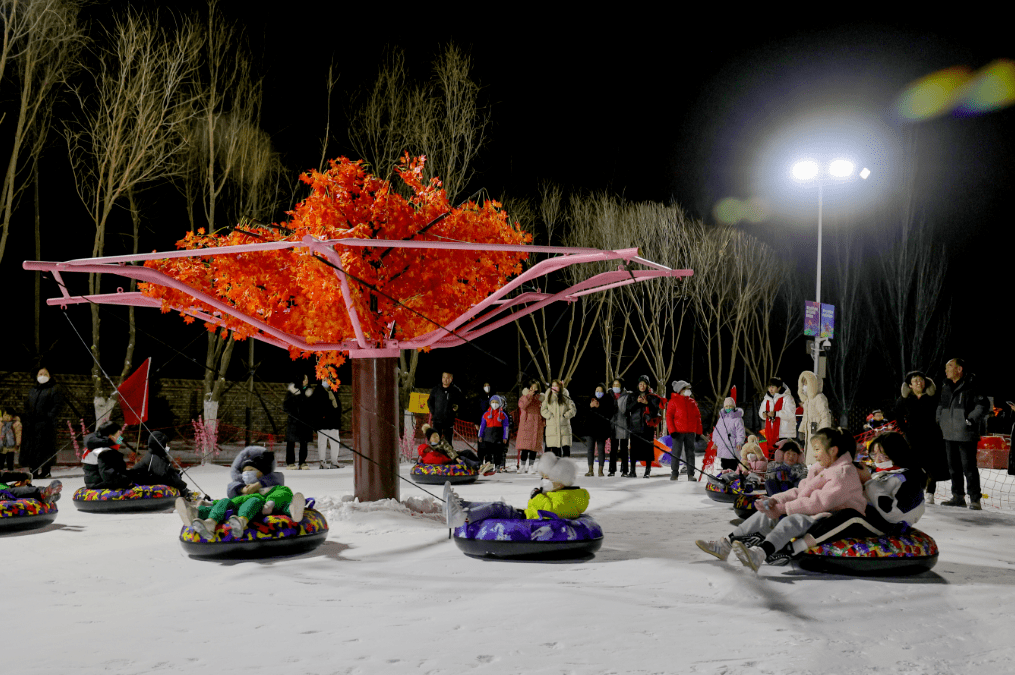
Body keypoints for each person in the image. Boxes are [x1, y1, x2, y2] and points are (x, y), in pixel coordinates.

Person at [695, 427, 866, 572]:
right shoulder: (821, 468)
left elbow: (819, 502)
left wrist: (784, 508)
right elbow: (800, 491)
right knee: (767, 515)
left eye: (818, 449)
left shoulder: (843, 473)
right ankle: (725, 543)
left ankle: (760, 554)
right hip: (816, 511)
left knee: (793, 520)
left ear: (833, 451)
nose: (815, 455)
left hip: (831, 517)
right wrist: (774, 500)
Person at [794, 432, 927, 556]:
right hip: (868, 513)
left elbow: (893, 512)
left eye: (884, 455)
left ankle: (798, 547)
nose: (879, 460)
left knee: (851, 515)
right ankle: (795, 532)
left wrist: (868, 482)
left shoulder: (910, 479)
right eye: (874, 455)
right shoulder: (879, 473)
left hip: (888, 525)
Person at [444, 452, 590, 527]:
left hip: (528, 522)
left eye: (547, 478)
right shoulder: (561, 494)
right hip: (527, 516)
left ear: (560, 482)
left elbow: (550, 511)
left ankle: (462, 517)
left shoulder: (567, 498)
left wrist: (537, 497)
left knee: (498, 508)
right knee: (498, 506)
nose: (544, 481)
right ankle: (460, 505)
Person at [176, 453, 304, 538]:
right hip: (243, 507)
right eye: (244, 472)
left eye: (251, 471)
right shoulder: (244, 488)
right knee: (225, 503)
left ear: (262, 473)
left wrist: (270, 502)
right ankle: (202, 517)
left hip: (265, 507)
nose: (246, 474)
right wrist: (211, 503)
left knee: (258, 500)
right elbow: (234, 498)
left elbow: (283, 491)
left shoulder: (271, 486)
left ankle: (294, 510)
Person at [936, 358, 989, 510]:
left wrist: (970, 420)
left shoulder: (972, 385)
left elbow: (983, 405)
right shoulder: (945, 387)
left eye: (949, 367)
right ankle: (958, 497)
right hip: (949, 433)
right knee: (953, 468)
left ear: (959, 369)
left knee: (969, 467)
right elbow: (940, 405)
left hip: (966, 434)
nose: (946, 370)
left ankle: (974, 499)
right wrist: (940, 420)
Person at [894, 371, 947, 505]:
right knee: (914, 464)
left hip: (932, 435)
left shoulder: (934, 397)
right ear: (910, 385)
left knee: (931, 464)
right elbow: (898, 416)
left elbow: (942, 413)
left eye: (921, 380)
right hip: (912, 437)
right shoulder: (904, 399)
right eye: (915, 380)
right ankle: (916, 490)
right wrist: (905, 430)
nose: (919, 382)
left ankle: (930, 492)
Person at [21, 366, 64, 479]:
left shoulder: (55, 388)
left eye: (45, 374)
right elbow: (27, 404)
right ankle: (33, 469)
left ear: (49, 376)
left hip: (46, 424)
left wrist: (49, 416)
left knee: (45, 448)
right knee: (32, 447)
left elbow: (58, 405)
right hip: (32, 424)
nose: (42, 376)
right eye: (40, 374)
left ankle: (45, 470)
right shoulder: (33, 390)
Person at [128, 431, 194, 499]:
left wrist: (175, 473)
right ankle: (185, 496)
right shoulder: (154, 458)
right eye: (165, 444)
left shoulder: (158, 456)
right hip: (142, 485)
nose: (167, 447)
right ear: (160, 445)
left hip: (148, 482)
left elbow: (166, 470)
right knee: (173, 484)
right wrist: (182, 486)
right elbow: (163, 477)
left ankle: (185, 494)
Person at [667, 380, 704, 480]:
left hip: (690, 432)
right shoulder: (673, 401)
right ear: (680, 390)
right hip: (678, 432)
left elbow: (698, 417)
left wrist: (699, 432)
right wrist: (672, 430)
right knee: (676, 452)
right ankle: (674, 473)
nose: (688, 390)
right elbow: (669, 417)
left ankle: (690, 474)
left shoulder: (692, 402)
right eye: (686, 389)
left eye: (689, 389)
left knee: (690, 453)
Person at [625, 375, 660, 478]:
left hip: (647, 426)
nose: (642, 386)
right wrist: (637, 402)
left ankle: (647, 471)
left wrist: (647, 403)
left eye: (644, 384)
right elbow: (628, 409)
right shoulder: (633, 395)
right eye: (640, 384)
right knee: (634, 449)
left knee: (648, 449)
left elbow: (656, 411)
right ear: (638, 385)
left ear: (647, 385)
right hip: (635, 426)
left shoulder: (652, 396)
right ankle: (632, 471)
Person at [82, 421, 133, 490]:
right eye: (118, 434)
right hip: (100, 484)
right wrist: (126, 481)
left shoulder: (96, 447)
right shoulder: (105, 451)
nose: (120, 438)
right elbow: (108, 474)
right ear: (110, 436)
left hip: (94, 482)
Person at [797, 370, 832, 463]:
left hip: (818, 432)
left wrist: (824, 433)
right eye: (803, 383)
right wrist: (801, 430)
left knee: (817, 453)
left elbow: (825, 416)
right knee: (809, 452)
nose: (804, 386)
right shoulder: (808, 401)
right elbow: (805, 417)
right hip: (810, 431)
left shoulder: (819, 398)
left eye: (806, 383)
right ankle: (810, 469)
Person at [283, 375, 316, 469]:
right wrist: (293, 414)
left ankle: (302, 462)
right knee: (290, 442)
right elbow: (286, 405)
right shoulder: (292, 391)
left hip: (305, 422)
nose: (307, 381)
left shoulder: (309, 392)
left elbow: (313, 407)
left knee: (304, 442)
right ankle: (290, 463)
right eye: (305, 379)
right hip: (294, 421)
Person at [759, 377, 796, 458]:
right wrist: (763, 414)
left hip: (784, 433)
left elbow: (790, 414)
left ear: (779, 388)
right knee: (773, 458)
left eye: (773, 386)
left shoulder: (787, 398)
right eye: (769, 386)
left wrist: (776, 413)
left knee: (784, 458)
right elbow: (761, 412)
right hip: (771, 434)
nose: (770, 389)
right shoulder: (766, 399)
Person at [585, 383, 616, 477]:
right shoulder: (590, 399)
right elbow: (584, 413)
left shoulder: (607, 400)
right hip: (590, 429)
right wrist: (590, 406)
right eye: (597, 391)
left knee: (600, 450)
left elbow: (609, 414)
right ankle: (590, 470)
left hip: (601, 430)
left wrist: (599, 407)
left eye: (600, 391)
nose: (598, 393)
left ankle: (600, 470)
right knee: (590, 449)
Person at [515, 380, 545, 474]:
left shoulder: (541, 399)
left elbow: (544, 411)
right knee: (525, 446)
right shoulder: (524, 397)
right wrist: (529, 396)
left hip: (537, 424)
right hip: (526, 424)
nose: (533, 389)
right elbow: (522, 406)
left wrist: (543, 421)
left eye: (535, 387)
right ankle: (523, 466)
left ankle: (531, 466)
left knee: (534, 447)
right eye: (531, 387)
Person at [541, 379, 576, 458]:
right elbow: (543, 410)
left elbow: (573, 409)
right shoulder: (548, 397)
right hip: (552, 429)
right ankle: (556, 469)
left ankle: (566, 468)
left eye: (556, 386)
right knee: (555, 453)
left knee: (566, 451)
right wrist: (550, 415)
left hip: (564, 429)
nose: (554, 388)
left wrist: (565, 415)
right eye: (553, 386)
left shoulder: (565, 396)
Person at [711, 397, 746, 473]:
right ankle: (725, 478)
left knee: (733, 464)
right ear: (724, 407)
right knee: (724, 464)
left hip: (733, 445)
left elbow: (740, 431)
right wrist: (715, 442)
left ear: (734, 407)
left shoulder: (738, 419)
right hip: (722, 446)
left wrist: (739, 442)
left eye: (730, 406)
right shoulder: (721, 419)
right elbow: (717, 432)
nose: (728, 408)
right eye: (726, 406)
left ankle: (734, 478)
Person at [478, 395, 510, 472]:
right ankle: (489, 466)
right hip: (488, 436)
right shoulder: (486, 414)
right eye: (493, 402)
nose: (494, 404)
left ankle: (498, 465)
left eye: (496, 402)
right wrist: (480, 435)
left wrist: (505, 437)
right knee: (488, 453)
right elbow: (482, 426)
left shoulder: (503, 415)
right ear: (490, 403)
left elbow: (506, 427)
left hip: (498, 436)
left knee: (498, 452)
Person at [429, 371, 463, 443]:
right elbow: (430, 401)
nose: (445, 379)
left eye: (447, 378)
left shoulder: (456, 391)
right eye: (443, 377)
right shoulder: (436, 389)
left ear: (451, 379)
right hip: (437, 421)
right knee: (435, 442)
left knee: (448, 443)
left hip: (448, 421)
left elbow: (461, 403)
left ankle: (447, 454)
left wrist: (457, 407)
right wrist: (433, 412)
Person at [315, 385, 343, 469]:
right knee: (322, 442)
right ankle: (322, 461)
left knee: (335, 441)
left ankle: (334, 460)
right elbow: (318, 407)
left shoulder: (333, 392)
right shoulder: (318, 392)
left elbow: (338, 406)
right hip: (323, 422)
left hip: (333, 422)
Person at [608, 378, 631, 477]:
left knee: (624, 449)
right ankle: (612, 470)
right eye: (614, 385)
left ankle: (625, 470)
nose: (615, 387)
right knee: (613, 449)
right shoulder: (610, 395)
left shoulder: (626, 395)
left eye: (617, 385)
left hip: (623, 425)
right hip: (613, 425)